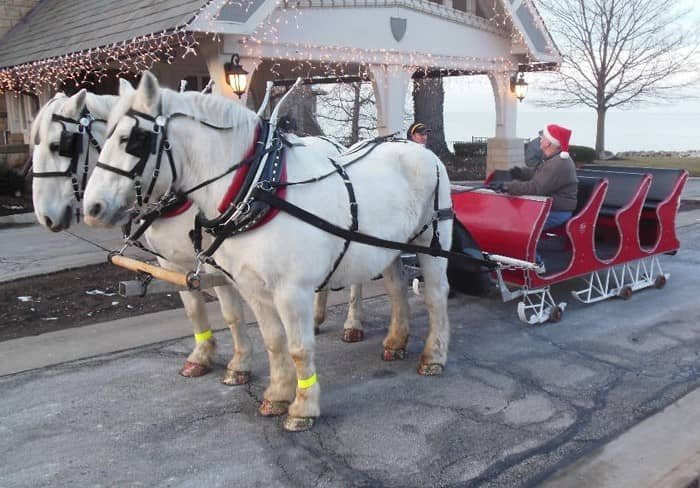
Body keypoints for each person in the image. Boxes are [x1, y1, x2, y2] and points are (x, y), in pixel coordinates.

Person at [490, 124, 578, 230]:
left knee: (513, 223)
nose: (540, 139)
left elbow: (535, 188)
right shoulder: (554, 159)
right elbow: (538, 174)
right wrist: (520, 172)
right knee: (511, 214)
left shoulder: (558, 163)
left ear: (549, 142)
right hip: (549, 207)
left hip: (556, 212)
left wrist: (506, 186)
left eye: (543, 137)